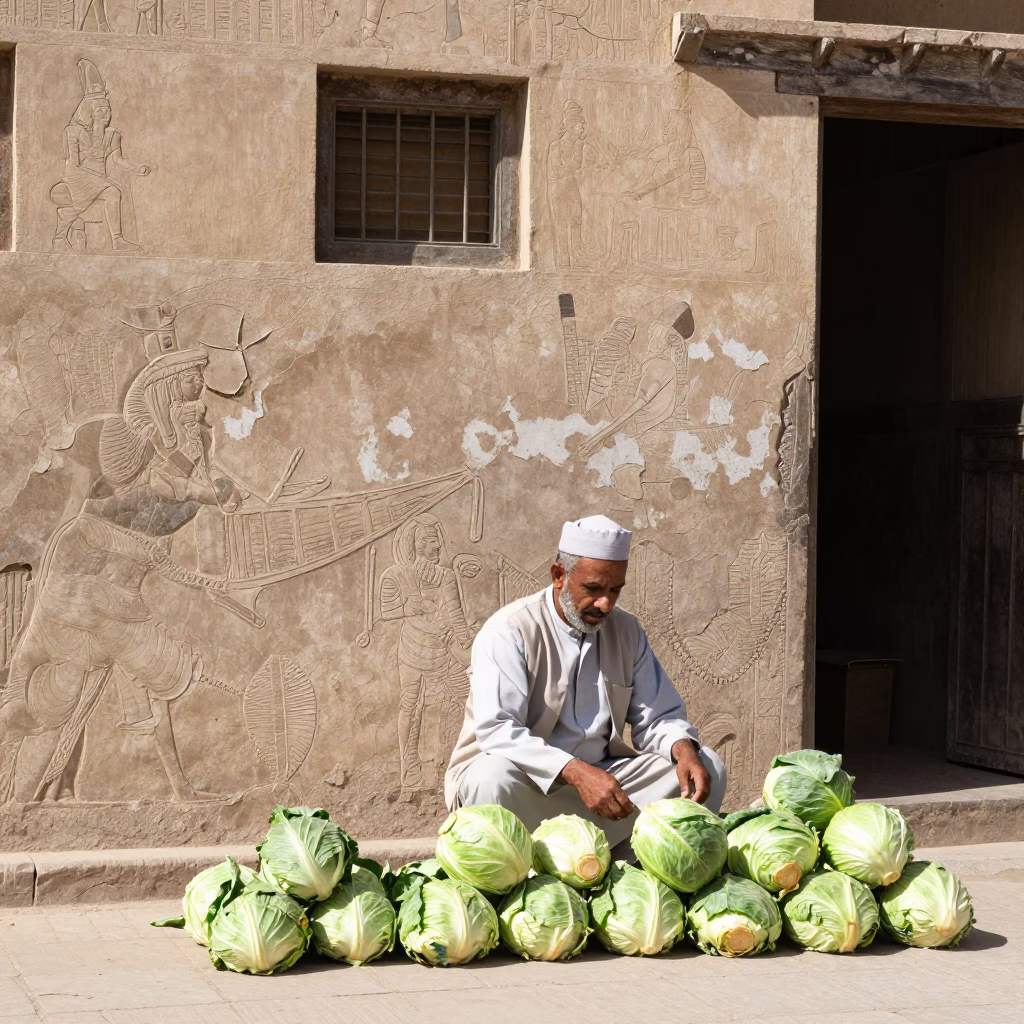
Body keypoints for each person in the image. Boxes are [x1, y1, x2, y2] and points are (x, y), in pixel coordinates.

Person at [445, 515, 726, 852]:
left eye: (614, 590)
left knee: (705, 766)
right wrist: (577, 773)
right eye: (593, 589)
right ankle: (521, 871)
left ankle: (626, 871)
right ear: (559, 576)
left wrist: (682, 748)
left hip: (608, 783)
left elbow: (657, 717)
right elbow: (498, 729)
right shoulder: (509, 629)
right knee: (489, 777)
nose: (605, 603)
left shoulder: (626, 631)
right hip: (531, 786)